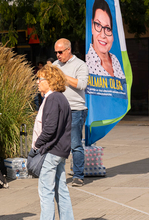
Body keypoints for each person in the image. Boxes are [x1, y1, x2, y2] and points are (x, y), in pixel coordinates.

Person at [33, 65, 74, 220]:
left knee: (46, 191)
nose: (37, 82)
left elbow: (50, 128)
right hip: (60, 150)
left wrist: (37, 145)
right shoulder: (60, 98)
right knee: (60, 189)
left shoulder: (53, 98)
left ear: (49, 81)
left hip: (51, 151)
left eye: (40, 79)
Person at [52, 38, 88, 187]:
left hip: (75, 110)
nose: (58, 55)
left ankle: (78, 175)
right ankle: (55, 174)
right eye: (56, 53)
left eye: (60, 52)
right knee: (56, 143)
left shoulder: (80, 65)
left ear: (68, 50)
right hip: (58, 109)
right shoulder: (55, 65)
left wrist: (61, 76)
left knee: (75, 144)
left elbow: (81, 84)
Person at [86, 0, 126, 79]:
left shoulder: (115, 61)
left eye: (107, 29)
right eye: (98, 25)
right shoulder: (86, 64)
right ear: (92, 26)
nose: (103, 35)